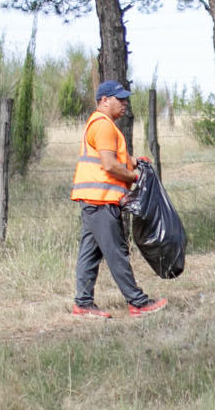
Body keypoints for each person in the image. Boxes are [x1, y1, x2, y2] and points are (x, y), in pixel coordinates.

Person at [71, 80, 167, 318]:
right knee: (116, 252)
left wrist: (135, 161)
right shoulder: (103, 125)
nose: (125, 104)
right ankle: (138, 302)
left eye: (125, 99)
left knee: (90, 253)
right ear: (104, 101)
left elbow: (115, 156)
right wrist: (134, 178)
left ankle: (83, 304)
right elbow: (109, 164)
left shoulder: (103, 124)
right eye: (120, 99)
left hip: (94, 199)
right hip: (101, 199)